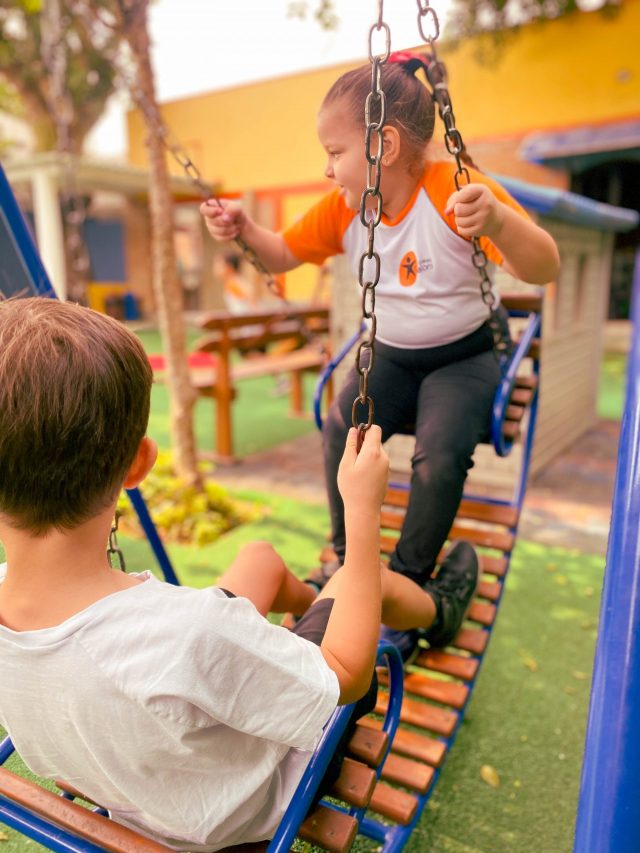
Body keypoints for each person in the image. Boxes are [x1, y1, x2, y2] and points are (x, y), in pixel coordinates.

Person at [0, 296, 480, 851]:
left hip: (131, 772)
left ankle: (306, 624)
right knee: (357, 577)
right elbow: (347, 678)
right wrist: (362, 513)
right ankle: (440, 612)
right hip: (252, 802)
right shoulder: (191, 632)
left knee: (259, 560)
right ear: (138, 464)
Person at [200, 52, 560, 662]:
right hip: (392, 352)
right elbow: (283, 253)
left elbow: (543, 266)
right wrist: (243, 230)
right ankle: (347, 559)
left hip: (464, 355)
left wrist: (497, 219)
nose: (326, 168)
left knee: (440, 454)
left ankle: (409, 578)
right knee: (344, 423)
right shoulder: (347, 206)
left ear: (384, 145)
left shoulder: (454, 186)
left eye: (335, 152)